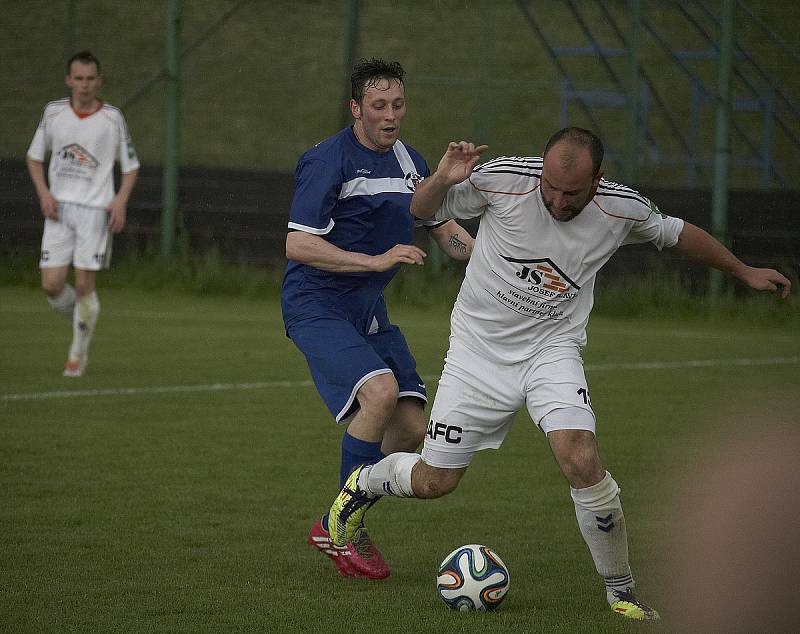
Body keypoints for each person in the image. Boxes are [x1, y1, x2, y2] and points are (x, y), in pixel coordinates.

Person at [326, 127, 792, 617]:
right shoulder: (503, 179)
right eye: (550, 185)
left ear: (597, 180)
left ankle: (621, 592)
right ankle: (363, 484)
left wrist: (742, 270)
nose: (557, 199)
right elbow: (422, 210)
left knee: (581, 458)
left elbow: (676, 235)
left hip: (553, 349)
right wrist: (442, 178)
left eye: (571, 192)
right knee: (435, 481)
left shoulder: (621, 208)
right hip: (475, 354)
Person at [280, 58, 474, 580]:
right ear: (356, 109)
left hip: (366, 311)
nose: (391, 115)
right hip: (315, 304)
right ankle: (345, 527)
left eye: (398, 104)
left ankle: (336, 518)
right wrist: (375, 260)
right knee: (381, 392)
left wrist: (505, 264)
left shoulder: (412, 161)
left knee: (411, 429)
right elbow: (298, 243)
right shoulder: (327, 161)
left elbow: (446, 232)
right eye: (379, 106)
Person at [27, 50, 139, 377]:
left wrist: (119, 201)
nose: (84, 85)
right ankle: (85, 317)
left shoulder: (112, 118)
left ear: (99, 81)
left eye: (90, 79)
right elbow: (34, 158)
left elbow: (130, 167)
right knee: (51, 284)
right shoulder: (53, 113)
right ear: (68, 80)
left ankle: (77, 354)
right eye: (78, 78)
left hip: (94, 210)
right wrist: (44, 194)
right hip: (58, 209)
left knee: (84, 285)